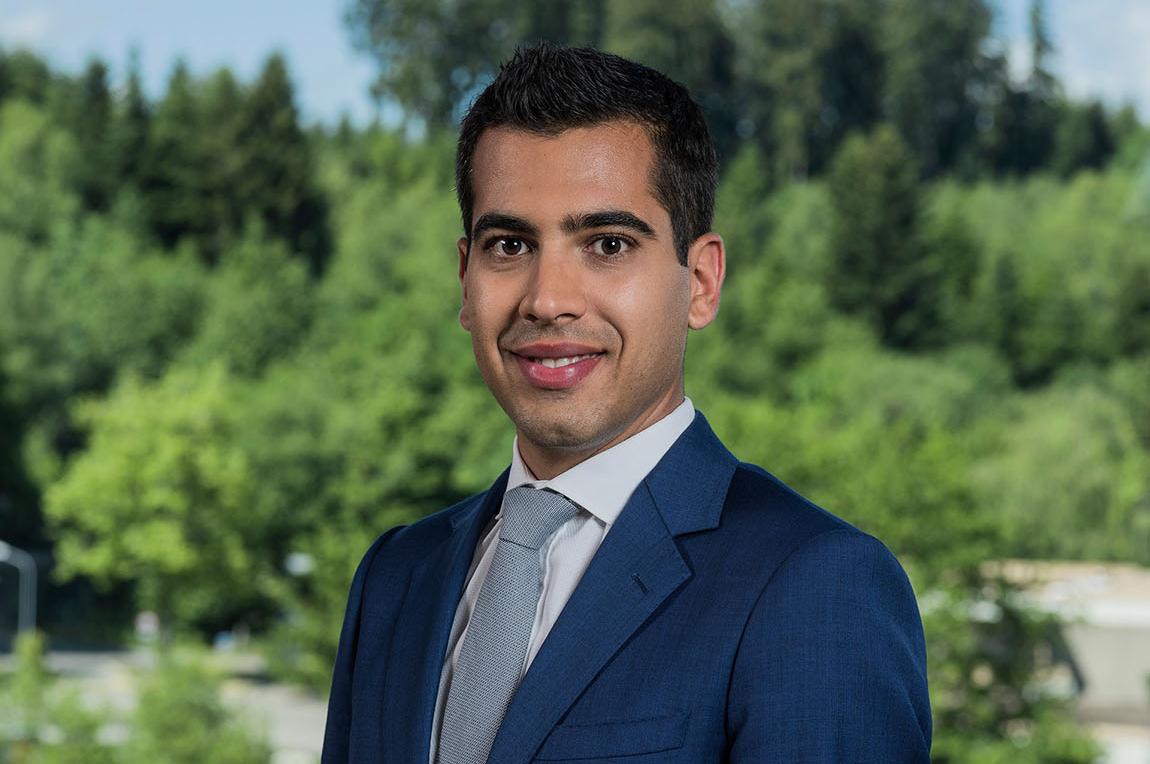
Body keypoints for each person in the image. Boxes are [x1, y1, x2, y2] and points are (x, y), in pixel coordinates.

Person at [322, 43, 931, 763]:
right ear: (465, 279)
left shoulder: (816, 586)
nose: (547, 300)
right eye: (510, 246)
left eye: (607, 244)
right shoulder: (396, 576)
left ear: (701, 282)